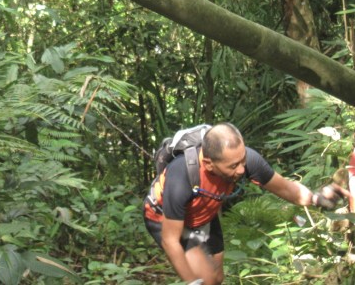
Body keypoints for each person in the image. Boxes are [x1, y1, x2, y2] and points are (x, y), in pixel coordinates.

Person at [143, 122, 343, 285]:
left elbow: (285, 188)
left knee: (217, 278)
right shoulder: (181, 175)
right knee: (206, 281)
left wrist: (316, 198)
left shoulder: (246, 160)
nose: (241, 170)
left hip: (205, 213)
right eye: (233, 166)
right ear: (209, 164)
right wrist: (192, 282)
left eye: (242, 161)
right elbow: (170, 240)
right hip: (164, 218)